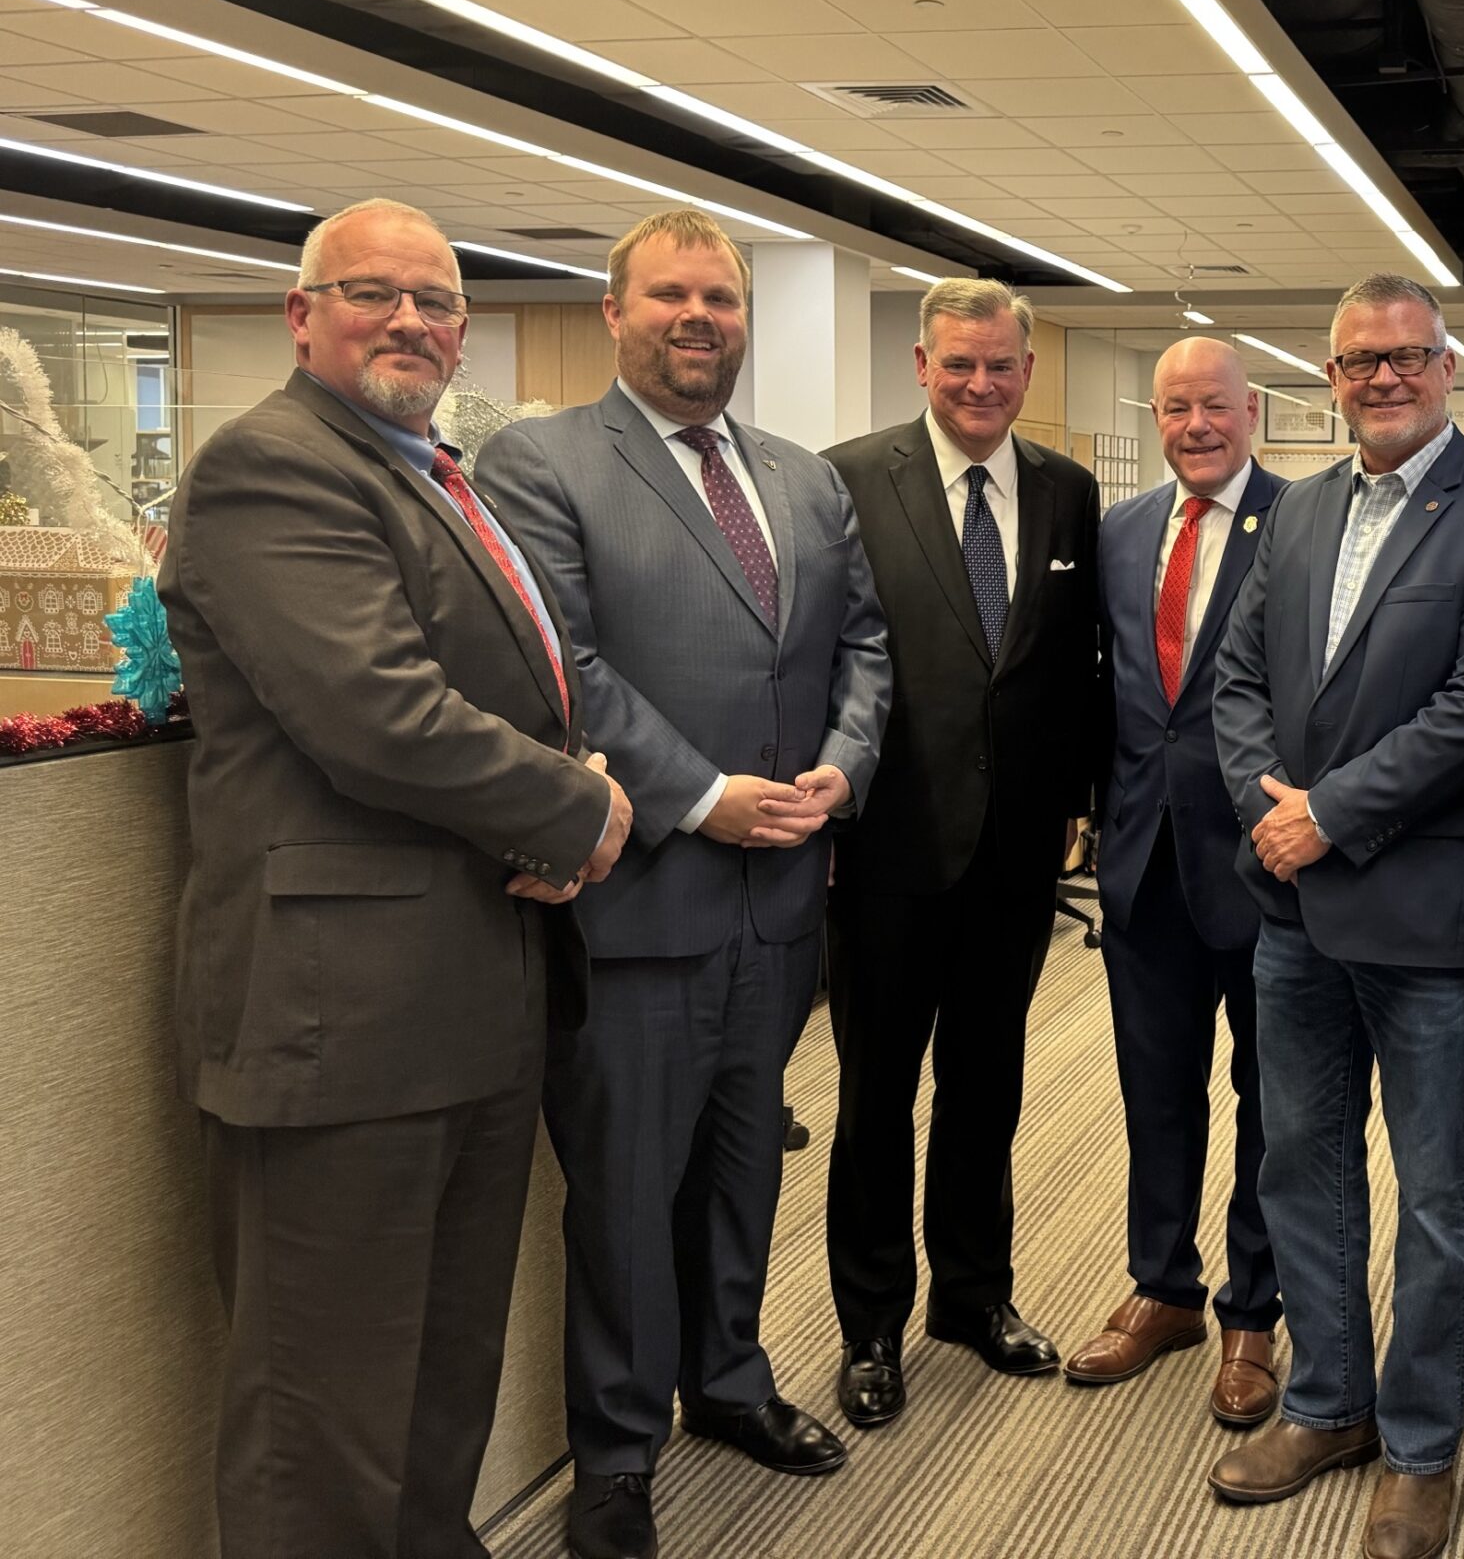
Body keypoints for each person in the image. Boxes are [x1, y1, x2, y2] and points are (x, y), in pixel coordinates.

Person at [162, 197, 631, 1558]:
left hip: (468, 1005)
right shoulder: (273, 467)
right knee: (323, 1419)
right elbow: (377, 711)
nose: (411, 320)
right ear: (300, 316)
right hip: (340, 1025)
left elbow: (497, 684)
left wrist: (568, 784)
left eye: (435, 301)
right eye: (373, 293)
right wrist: (580, 811)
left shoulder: (425, 469)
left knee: (436, 1389)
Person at [473, 209, 892, 1559]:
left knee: (740, 1169)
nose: (700, 315)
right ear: (616, 310)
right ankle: (615, 1451)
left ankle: (728, 1381)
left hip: (783, 906)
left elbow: (863, 647)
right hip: (642, 898)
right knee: (625, 1190)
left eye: (721, 294)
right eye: (672, 294)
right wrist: (706, 799)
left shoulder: (802, 480)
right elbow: (567, 668)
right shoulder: (539, 463)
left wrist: (840, 769)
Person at [1209, 273, 1464, 1559]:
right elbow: (1237, 677)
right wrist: (1267, 808)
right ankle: (1325, 1404)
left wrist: (1329, 814)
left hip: (1417, 914)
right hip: (1291, 907)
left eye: (1406, 357)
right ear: (1331, 373)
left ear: (1448, 364)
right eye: (1360, 362)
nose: (1383, 379)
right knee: (1298, 1166)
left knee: (1432, 1201)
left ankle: (1420, 1448)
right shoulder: (1297, 512)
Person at [820, 279, 1104, 1428]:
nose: (980, 385)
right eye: (958, 366)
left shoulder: (1068, 492)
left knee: (987, 1086)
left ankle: (973, 1297)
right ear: (922, 368)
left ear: (1026, 374)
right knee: (876, 1096)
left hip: (1016, 855)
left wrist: (1081, 801)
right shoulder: (845, 479)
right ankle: (872, 1323)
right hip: (886, 848)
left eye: (1000, 367)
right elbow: (825, 655)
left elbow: (1080, 664)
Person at [1063, 337, 1286, 1421]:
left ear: (1254, 411)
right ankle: (1164, 1289)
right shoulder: (1123, 531)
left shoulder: (1303, 522)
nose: (1195, 426)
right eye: (1174, 409)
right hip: (1142, 862)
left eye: (1214, 407)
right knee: (1155, 1094)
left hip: (1262, 863)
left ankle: (1253, 1312)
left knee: (1270, 1101)